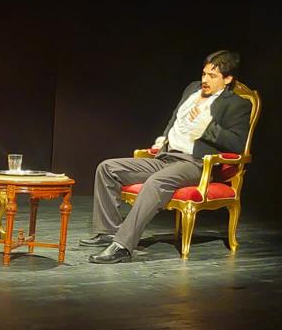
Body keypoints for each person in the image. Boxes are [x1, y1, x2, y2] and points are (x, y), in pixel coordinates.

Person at [82, 51, 251, 264]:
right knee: (107, 168)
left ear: (227, 79)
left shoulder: (236, 104)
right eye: (204, 74)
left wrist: (207, 128)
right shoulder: (192, 89)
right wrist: (164, 138)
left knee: (156, 182)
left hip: (194, 164)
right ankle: (108, 232)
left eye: (212, 76)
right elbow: (175, 119)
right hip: (166, 157)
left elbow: (237, 144)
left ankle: (122, 246)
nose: (205, 80)